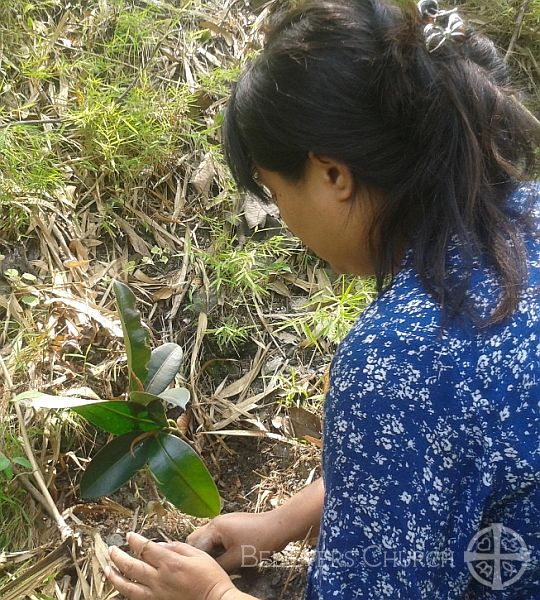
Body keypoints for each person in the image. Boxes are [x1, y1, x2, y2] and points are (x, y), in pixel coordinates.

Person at [105, 0, 540, 598]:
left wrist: (212, 594)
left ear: (333, 174)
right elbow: (443, 452)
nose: (283, 217)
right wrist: (278, 525)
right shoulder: (528, 217)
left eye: (277, 191)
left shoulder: (401, 359)